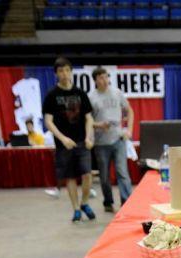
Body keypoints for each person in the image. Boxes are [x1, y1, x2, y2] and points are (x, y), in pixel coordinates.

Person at [43, 57, 95, 222]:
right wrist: (63, 138)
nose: (64, 74)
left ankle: (85, 202)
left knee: (87, 174)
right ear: (56, 74)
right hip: (63, 144)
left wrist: (88, 137)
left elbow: (89, 118)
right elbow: (48, 121)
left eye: (67, 70)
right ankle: (76, 209)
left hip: (82, 141)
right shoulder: (52, 95)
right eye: (60, 71)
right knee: (70, 177)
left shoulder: (80, 93)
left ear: (71, 72)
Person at [89, 66, 134, 213]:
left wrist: (129, 130)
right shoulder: (91, 97)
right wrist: (98, 125)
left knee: (122, 171)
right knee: (104, 176)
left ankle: (126, 202)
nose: (104, 80)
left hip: (118, 139)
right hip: (101, 143)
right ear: (95, 80)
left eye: (106, 76)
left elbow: (129, 111)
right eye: (100, 77)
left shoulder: (117, 93)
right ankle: (108, 201)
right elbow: (87, 120)